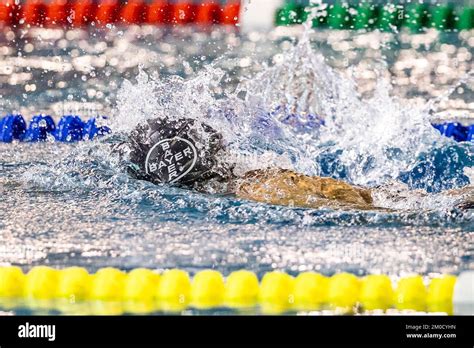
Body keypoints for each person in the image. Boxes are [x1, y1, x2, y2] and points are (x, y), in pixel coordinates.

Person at [126, 117, 472, 211]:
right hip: (380, 198)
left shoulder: (256, 189)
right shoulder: (253, 177)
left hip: (407, 208)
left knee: (419, 204)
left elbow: (365, 210)